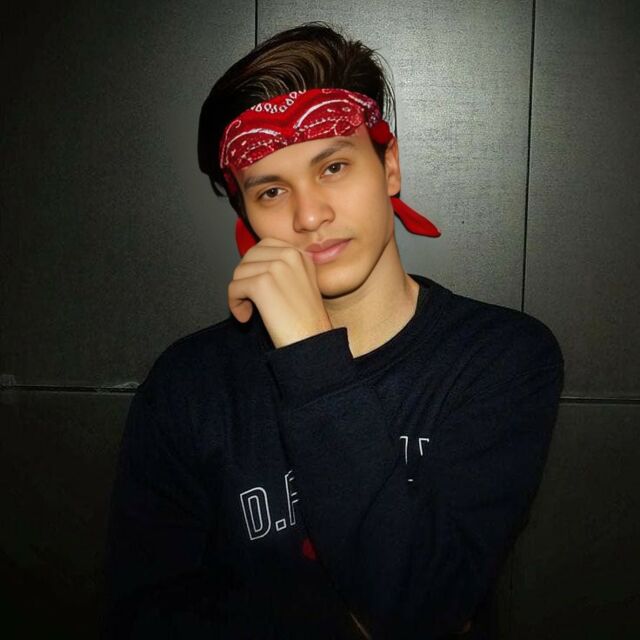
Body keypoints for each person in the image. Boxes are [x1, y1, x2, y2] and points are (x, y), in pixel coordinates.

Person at [104, 21, 564, 639]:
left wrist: (311, 357)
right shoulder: (189, 386)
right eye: (272, 191)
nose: (310, 215)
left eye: (334, 167)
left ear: (389, 166)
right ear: (246, 216)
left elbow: (420, 609)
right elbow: (141, 619)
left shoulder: (500, 358)